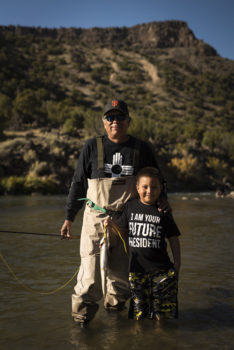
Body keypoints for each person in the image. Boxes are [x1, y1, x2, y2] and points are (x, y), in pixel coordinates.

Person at [60, 99, 169, 324]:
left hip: (127, 220)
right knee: (89, 277)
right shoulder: (91, 146)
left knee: (120, 281)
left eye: (120, 117)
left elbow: (156, 180)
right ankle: (82, 324)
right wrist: (70, 217)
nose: (115, 121)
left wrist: (163, 203)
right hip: (94, 219)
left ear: (129, 121)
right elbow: (78, 183)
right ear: (104, 122)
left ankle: (116, 323)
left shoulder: (142, 148)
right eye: (110, 117)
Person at [105, 167, 181, 321]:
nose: (149, 191)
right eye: (145, 187)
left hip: (162, 272)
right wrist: (111, 224)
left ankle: (161, 340)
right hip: (136, 271)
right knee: (138, 315)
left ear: (161, 189)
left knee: (162, 315)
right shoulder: (130, 207)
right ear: (137, 188)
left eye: (154, 187)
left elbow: (173, 238)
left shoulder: (163, 211)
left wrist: (177, 264)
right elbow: (123, 230)